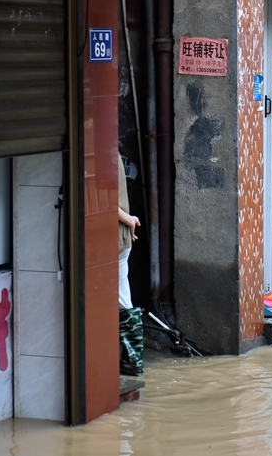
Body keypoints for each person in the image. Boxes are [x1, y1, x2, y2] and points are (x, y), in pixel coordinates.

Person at [117, 153, 142, 376]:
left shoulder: (100, 154)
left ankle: (131, 361)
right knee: (123, 300)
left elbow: (103, 202)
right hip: (121, 238)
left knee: (122, 302)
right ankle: (132, 361)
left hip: (113, 239)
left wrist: (128, 220)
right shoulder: (111, 154)